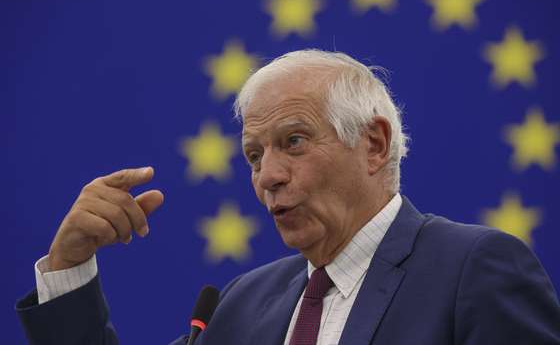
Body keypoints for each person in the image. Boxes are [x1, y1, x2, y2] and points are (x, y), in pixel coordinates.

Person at [16, 50, 560, 344]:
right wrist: (69, 268)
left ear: (373, 144)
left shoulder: (474, 268)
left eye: (293, 142)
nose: (268, 176)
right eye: (254, 156)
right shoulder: (238, 305)